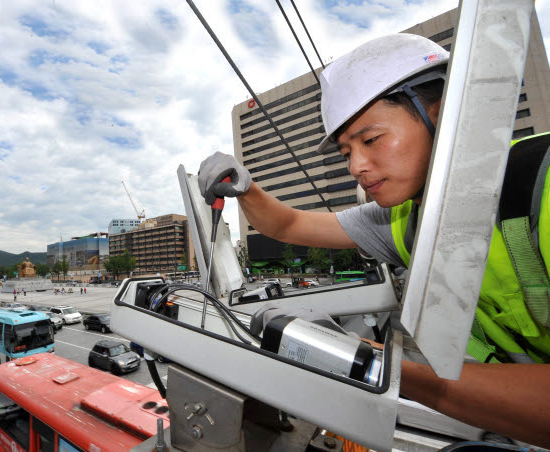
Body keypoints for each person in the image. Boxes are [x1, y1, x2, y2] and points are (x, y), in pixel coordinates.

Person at [198, 33, 549, 446]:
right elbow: (289, 226)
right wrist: (246, 188)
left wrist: (378, 368)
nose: (357, 166)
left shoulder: (541, 189)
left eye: (370, 139)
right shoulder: (403, 218)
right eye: (347, 152)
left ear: (445, 111)